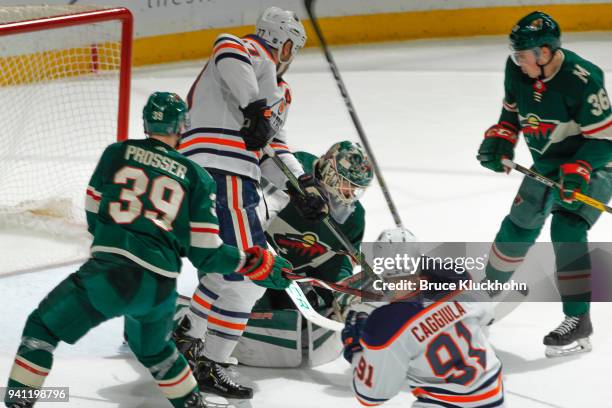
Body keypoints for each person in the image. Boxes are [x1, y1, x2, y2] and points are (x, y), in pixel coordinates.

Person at [3, 92, 292, 408]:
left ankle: (19, 401)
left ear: (147, 121)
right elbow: (206, 254)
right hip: (157, 290)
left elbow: (93, 212)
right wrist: (250, 261)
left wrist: (115, 243)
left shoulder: (116, 154)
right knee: (158, 354)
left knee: (41, 330)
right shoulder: (197, 176)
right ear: (182, 126)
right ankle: (193, 403)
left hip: (105, 277)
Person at [175, 6, 328, 399]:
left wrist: (303, 186)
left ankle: (194, 341)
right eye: (293, 48)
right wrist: (253, 106)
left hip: (234, 176)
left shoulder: (279, 91)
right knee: (250, 273)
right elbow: (226, 47)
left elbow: (272, 148)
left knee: (234, 274)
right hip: (220, 171)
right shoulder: (246, 51)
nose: (293, 57)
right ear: (285, 42)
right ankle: (205, 353)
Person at [477, 11, 612, 357]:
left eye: (523, 55)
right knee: (517, 228)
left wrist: (580, 167)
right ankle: (481, 300)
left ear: (546, 52)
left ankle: (578, 319)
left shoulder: (583, 79)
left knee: (567, 229)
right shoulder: (517, 70)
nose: (516, 61)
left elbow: (606, 140)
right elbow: (511, 113)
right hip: (549, 164)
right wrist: (502, 139)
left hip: (595, 163)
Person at [227, 141, 373, 367]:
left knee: (329, 297)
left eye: (356, 188)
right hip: (261, 252)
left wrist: (341, 290)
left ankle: (309, 296)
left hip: (300, 269)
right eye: (348, 185)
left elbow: (340, 259)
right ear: (331, 174)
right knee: (249, 297)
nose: (352, 193)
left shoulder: (353, 218)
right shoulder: (295, 169)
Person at [342, 259, 504, 407]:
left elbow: (370, 396)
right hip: (494, 399)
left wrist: (356, 350)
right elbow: (487, 315)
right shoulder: (460, 282)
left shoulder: (387, 323)